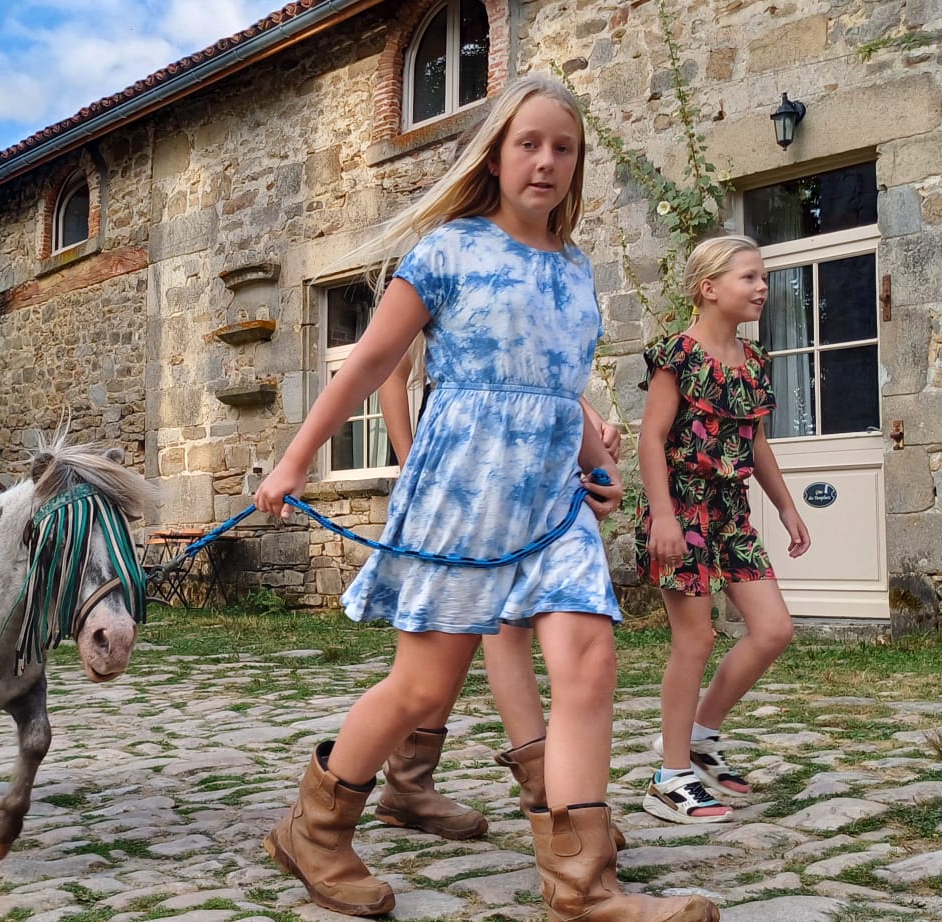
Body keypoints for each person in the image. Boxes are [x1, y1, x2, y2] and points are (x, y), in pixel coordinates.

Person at [251, 75, 716, 922]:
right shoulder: (448, 250)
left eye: (563, 148)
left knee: (589, 662)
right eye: (528, 144)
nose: (545, 161)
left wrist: (594, 459)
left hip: (551, 503)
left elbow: (557, 386)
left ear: (578, 165)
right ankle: (314, 830)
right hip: (463, 494)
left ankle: (581, 887)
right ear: (496, 155)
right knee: (423, 693)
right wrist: (292, 462)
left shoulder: (576, 271)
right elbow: (364, 364)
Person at [370, 345, 629, 848]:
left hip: (522, 469)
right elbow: (388, 374)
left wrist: (591, 420)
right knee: (448, 643)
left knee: (477, 634)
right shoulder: (443, 276)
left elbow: (544, 374)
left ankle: (536, 791)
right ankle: (417, 784)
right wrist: (409, 468)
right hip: (462, 470)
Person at [635, 234, 810, 825]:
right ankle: (671, 776)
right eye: (749, 278)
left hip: (731, 513)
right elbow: (651, 438)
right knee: (697, 638)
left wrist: (785, 506)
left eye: (763, 278)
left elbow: (755, 441)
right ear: (709, 289)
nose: (762, 287)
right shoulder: (676, 356)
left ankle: (700, 736)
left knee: (773, 629)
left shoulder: (755, 363)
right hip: (679, 510)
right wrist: (662, 515)